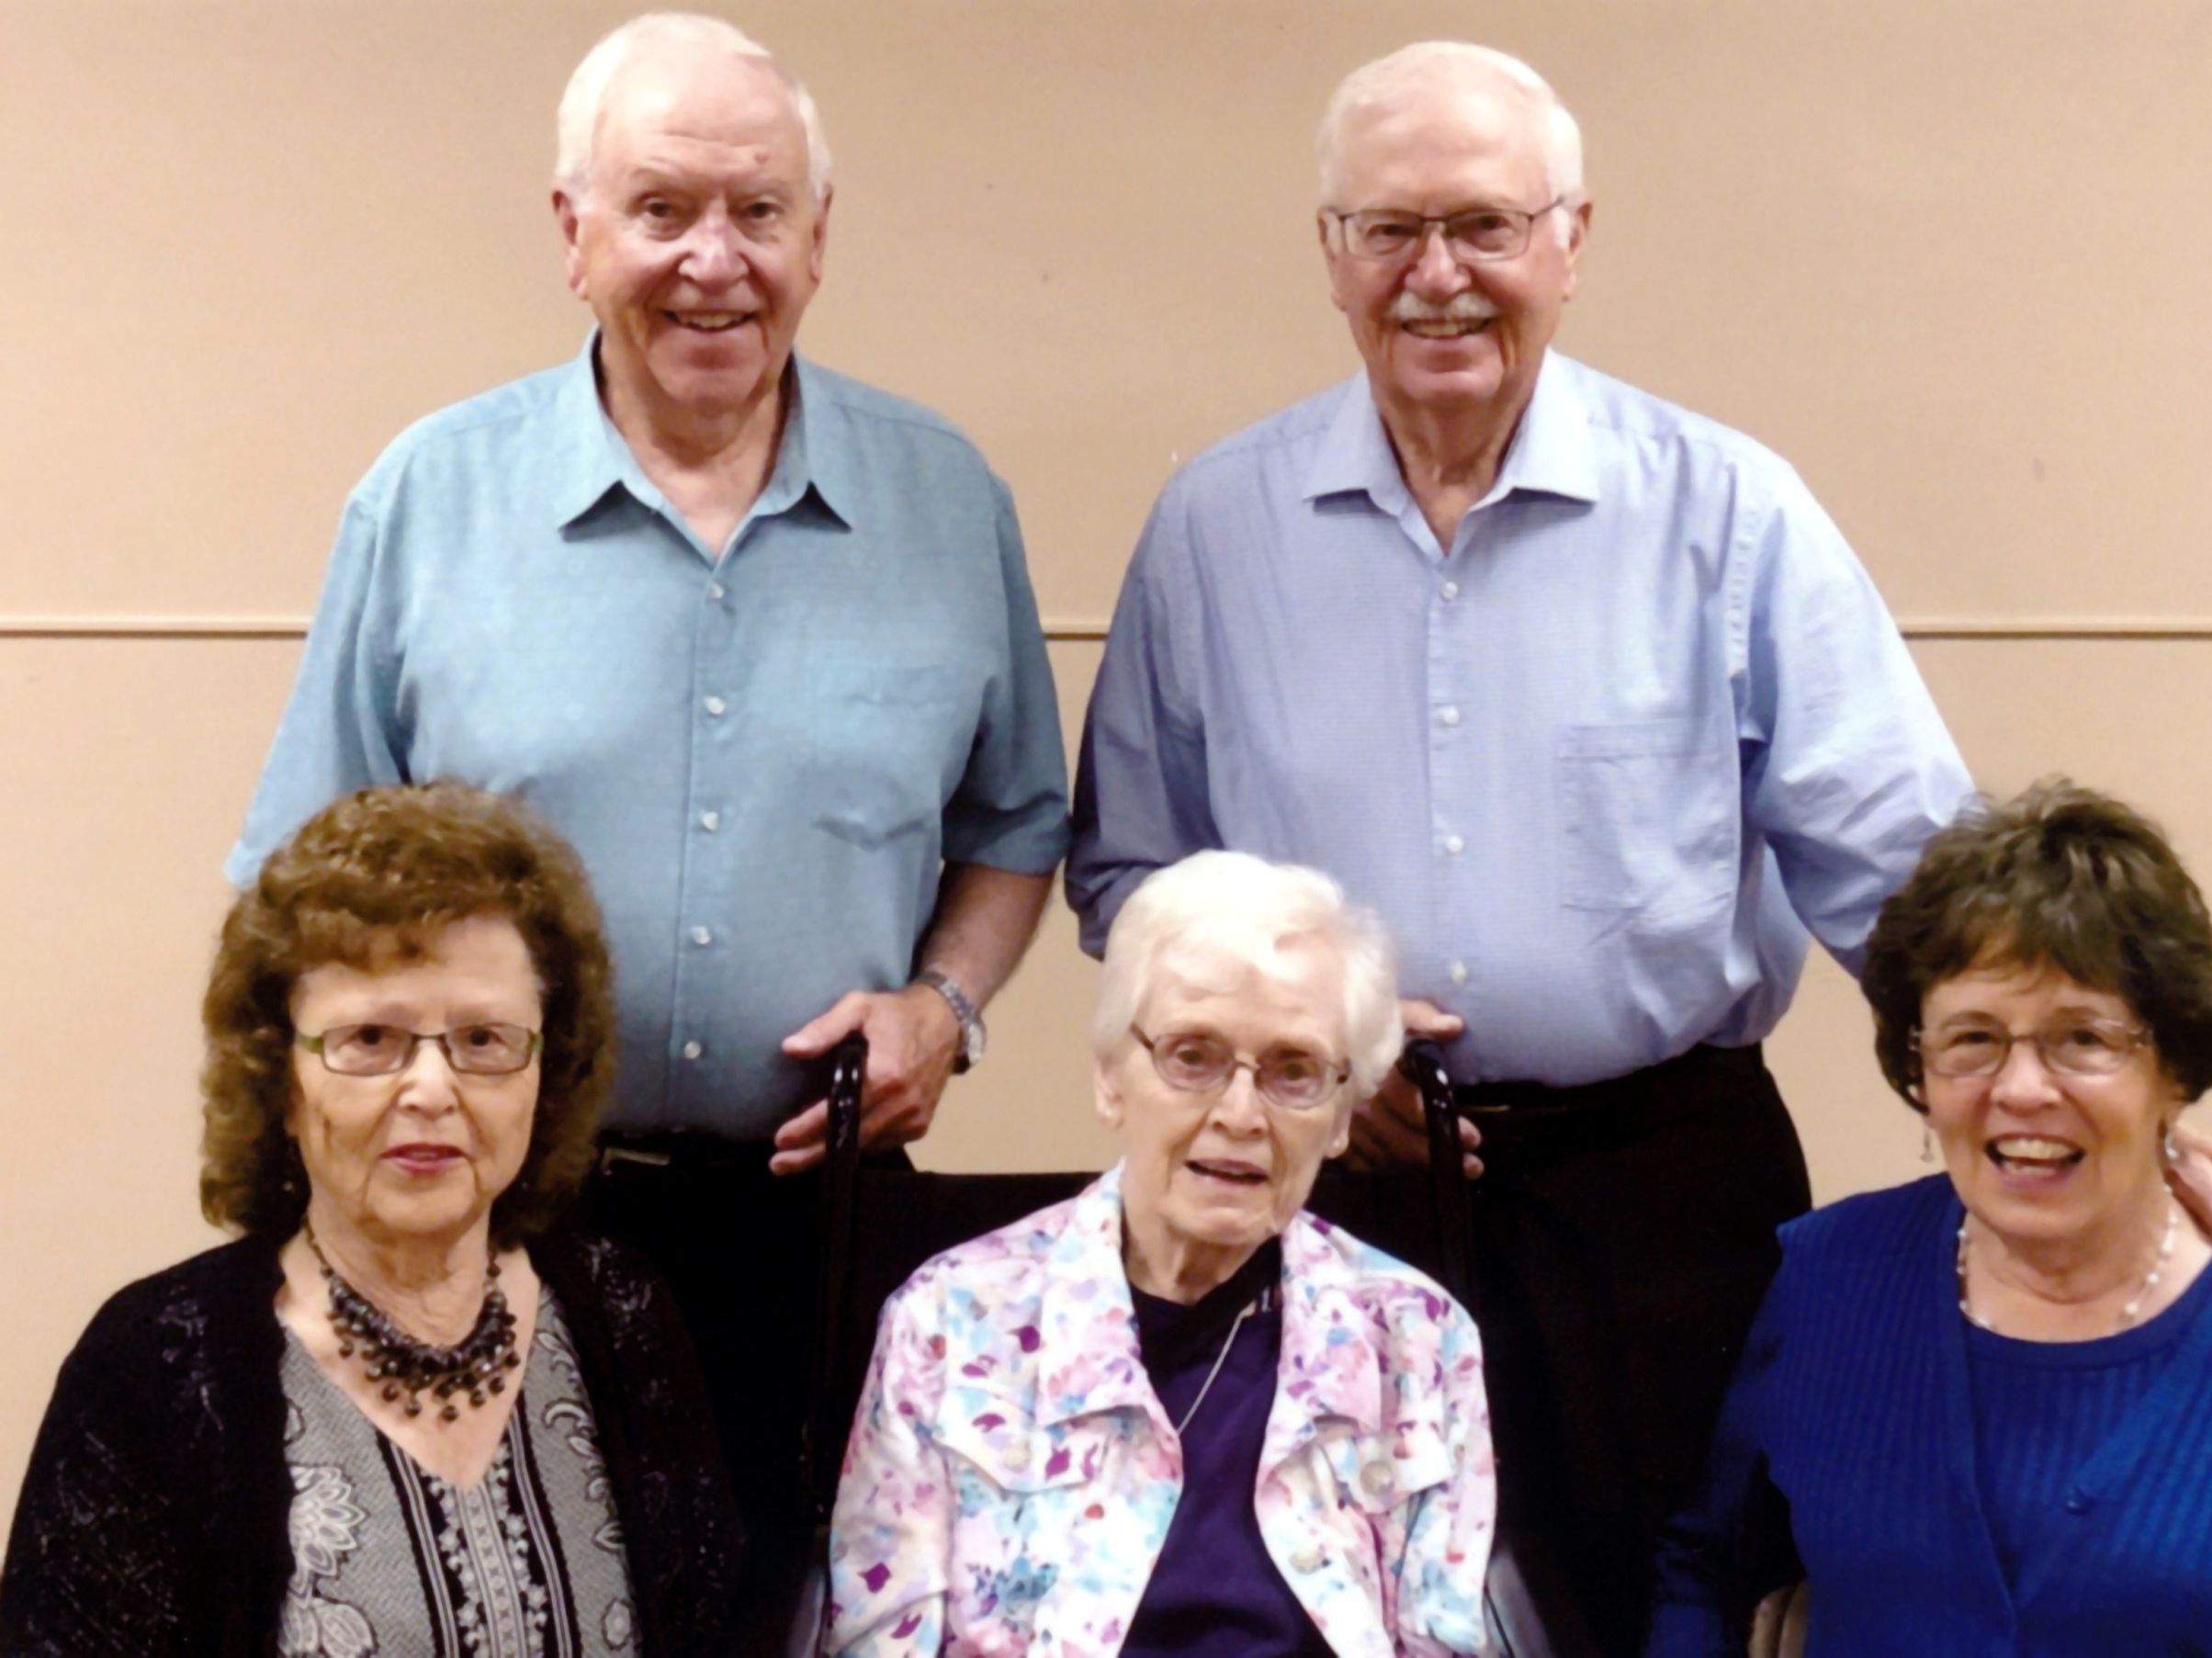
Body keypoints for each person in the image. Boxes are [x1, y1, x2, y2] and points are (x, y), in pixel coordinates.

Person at [1065, 39, 2212, 1652]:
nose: (1438, 276)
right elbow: (1129, 874)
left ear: (1572, 240)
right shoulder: (1213, 527)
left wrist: (2144, 1145)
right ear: (1330, 255)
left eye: (1487, 225)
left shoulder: (1729, 512)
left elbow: (1936, 904)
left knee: (1664, 1602)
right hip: (1329, 1189)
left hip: (1655, 1199)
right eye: (1389, 230)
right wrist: (1311, 1049)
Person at [227, 12, 1068, 1555]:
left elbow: (1016, 824)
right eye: (662, 210)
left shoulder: (947, 499)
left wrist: (944, 1009)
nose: (714, 260)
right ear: (575, 232)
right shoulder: (430, 497)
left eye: (759, 211)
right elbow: (299, 890)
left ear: (819, 238)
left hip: (823, 1238)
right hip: (488, 1230)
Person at [0, 783, 739, 1655]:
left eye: (484, 1040)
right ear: (280, 1078)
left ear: (548, 1074)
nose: (431, 1089)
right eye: (370, 1041)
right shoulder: (155, 1370)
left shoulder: (624, 1318)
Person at [1646, 782, 2212, 1655]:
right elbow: (1703, 1574)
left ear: (2176, 1065)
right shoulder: (1829, 1280)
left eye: (2083, 1038)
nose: (2021, 1089)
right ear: (1921, 1070)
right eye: (1973, 1038)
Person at [825, 852, 1495, 1656]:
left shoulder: (1418, 1339)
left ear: (1344, 1114)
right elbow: (878, 1639)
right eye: (1193, 1056)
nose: (1242, 1113)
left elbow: (1446, 1638)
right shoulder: (948, 1321)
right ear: (1110, 1077)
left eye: (1295, 1070)